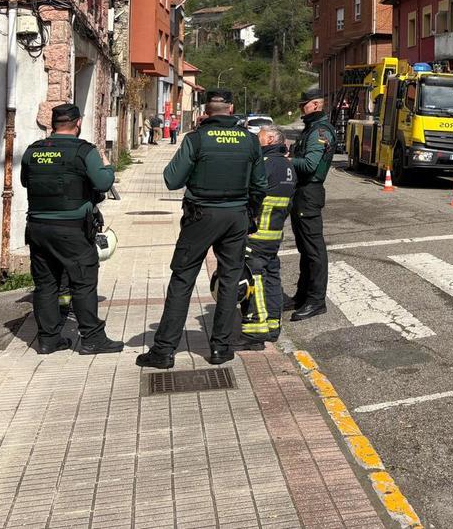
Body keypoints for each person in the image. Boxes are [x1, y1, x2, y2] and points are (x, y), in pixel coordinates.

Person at [136, 89, 267, 369]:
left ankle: (164, 351)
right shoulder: (250, 141)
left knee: (183, 280)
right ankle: (221, 348)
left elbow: (172, 180)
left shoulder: (196, 139)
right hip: (236, 217)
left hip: (200, 217)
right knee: (231, 280)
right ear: (231, 110)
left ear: (205, 112)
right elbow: (260, 186)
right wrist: (251, 216)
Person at [19, 103, 123, 355]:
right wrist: (107, 166)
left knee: (46, 284)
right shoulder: (83, 151)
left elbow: (25, 181)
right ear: (77, 124)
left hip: (38, 228)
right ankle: (92, 339)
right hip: (72, 229)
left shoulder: (32, 151)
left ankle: (48, 339)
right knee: (83, 281)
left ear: (53, 124)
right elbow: (103, 182)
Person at [237, 125, 295, 348]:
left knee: (255, 278)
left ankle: (256, 331)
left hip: (257, 233)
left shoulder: (264, 165)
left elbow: (252, 194)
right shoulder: (288, 166)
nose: (255, 140)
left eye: (259, 136)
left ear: (270, 139)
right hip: (274, 234)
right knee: (271, 278)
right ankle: (272, 325)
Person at [287, 86, 336, 321]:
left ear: (316, 105)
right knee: (305, 248)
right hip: (301, 193)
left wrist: (286, 160)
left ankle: (316, 301)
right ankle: (302, 295)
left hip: (309, 192)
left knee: (314, 250)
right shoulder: (311, 128)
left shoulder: (320, 132)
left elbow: (308, 165)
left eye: (304, 105)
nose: (301, 108)